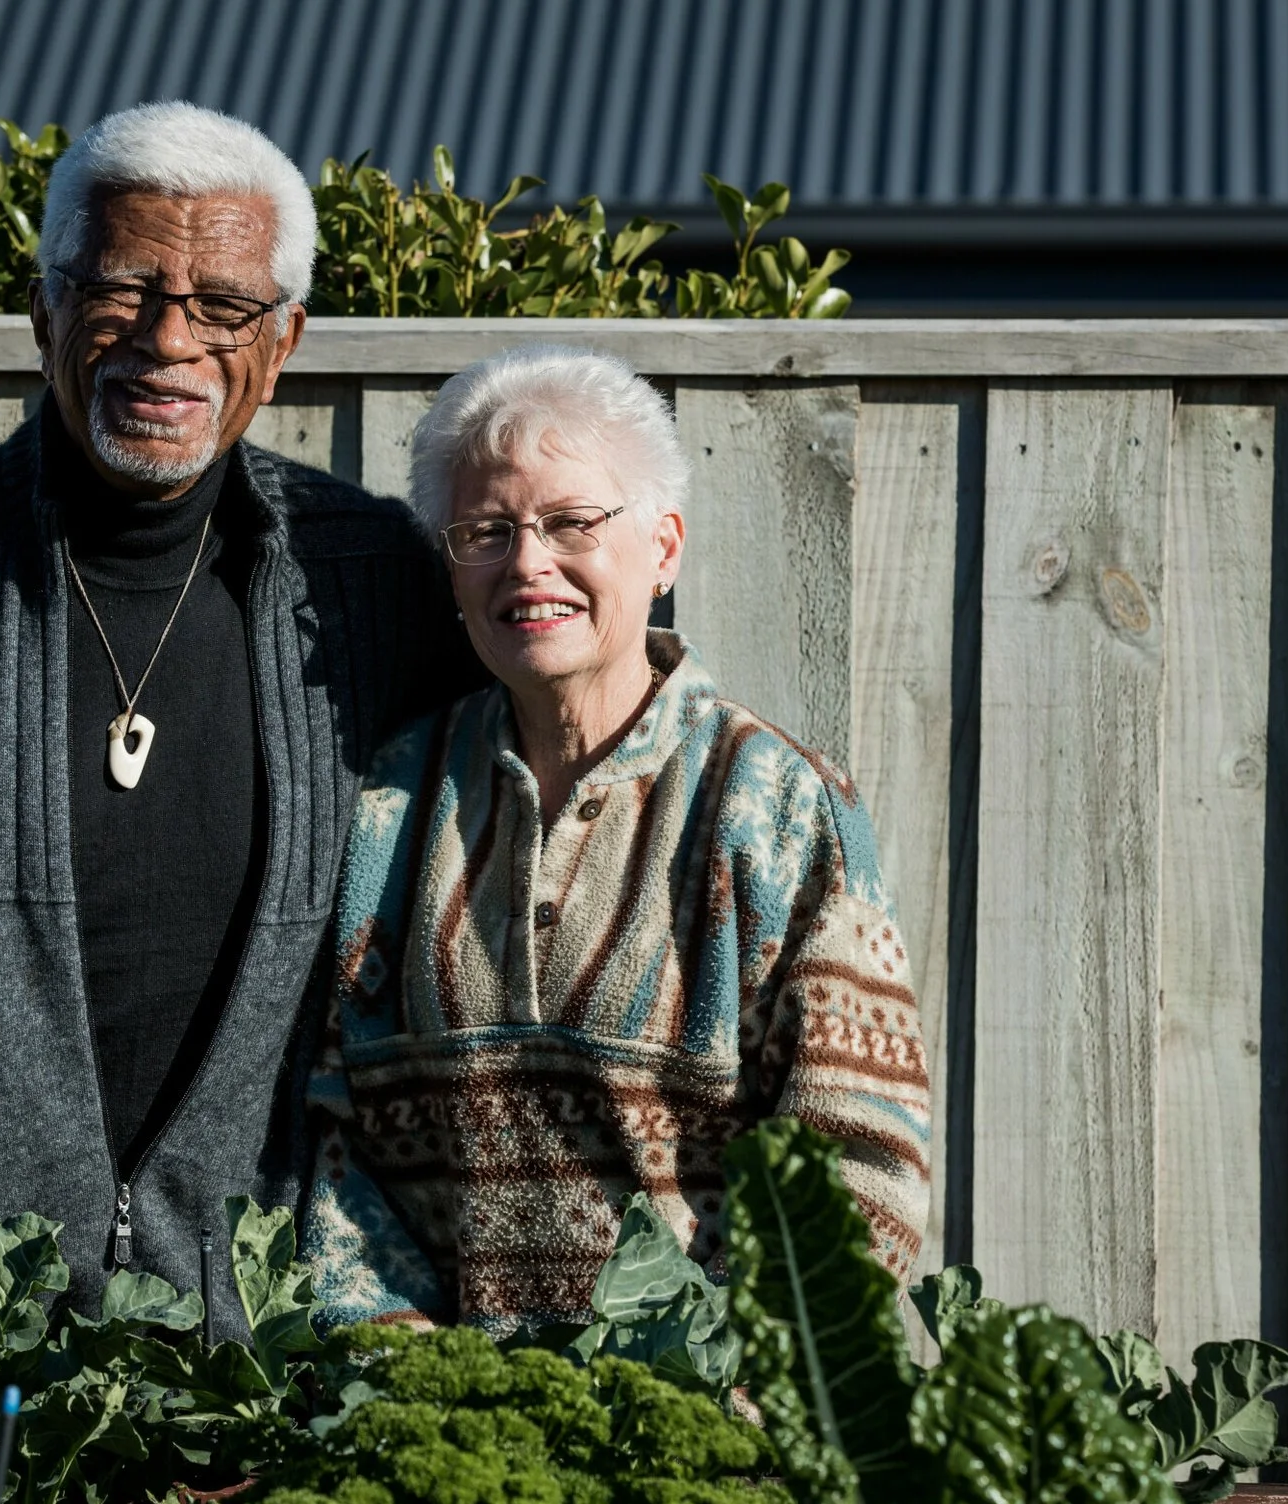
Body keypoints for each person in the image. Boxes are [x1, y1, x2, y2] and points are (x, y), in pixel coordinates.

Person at [0, 103, 473, 1339]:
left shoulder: (378, 586)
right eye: (122, 287)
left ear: (283, 341)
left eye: (222, 304)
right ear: (45, 308)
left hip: (289, 1383)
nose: (169, 339)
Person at [302, 346, 933, 1334]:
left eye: (570, 524)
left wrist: (709, 1408)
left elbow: (860, 1163)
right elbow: (340, 1144)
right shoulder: (394, 800)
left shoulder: (772, 803)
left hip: (703, 1447)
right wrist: (406, 1377)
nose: (527, 562)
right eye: (484, 530)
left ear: (663, 545)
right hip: (450, 1439)